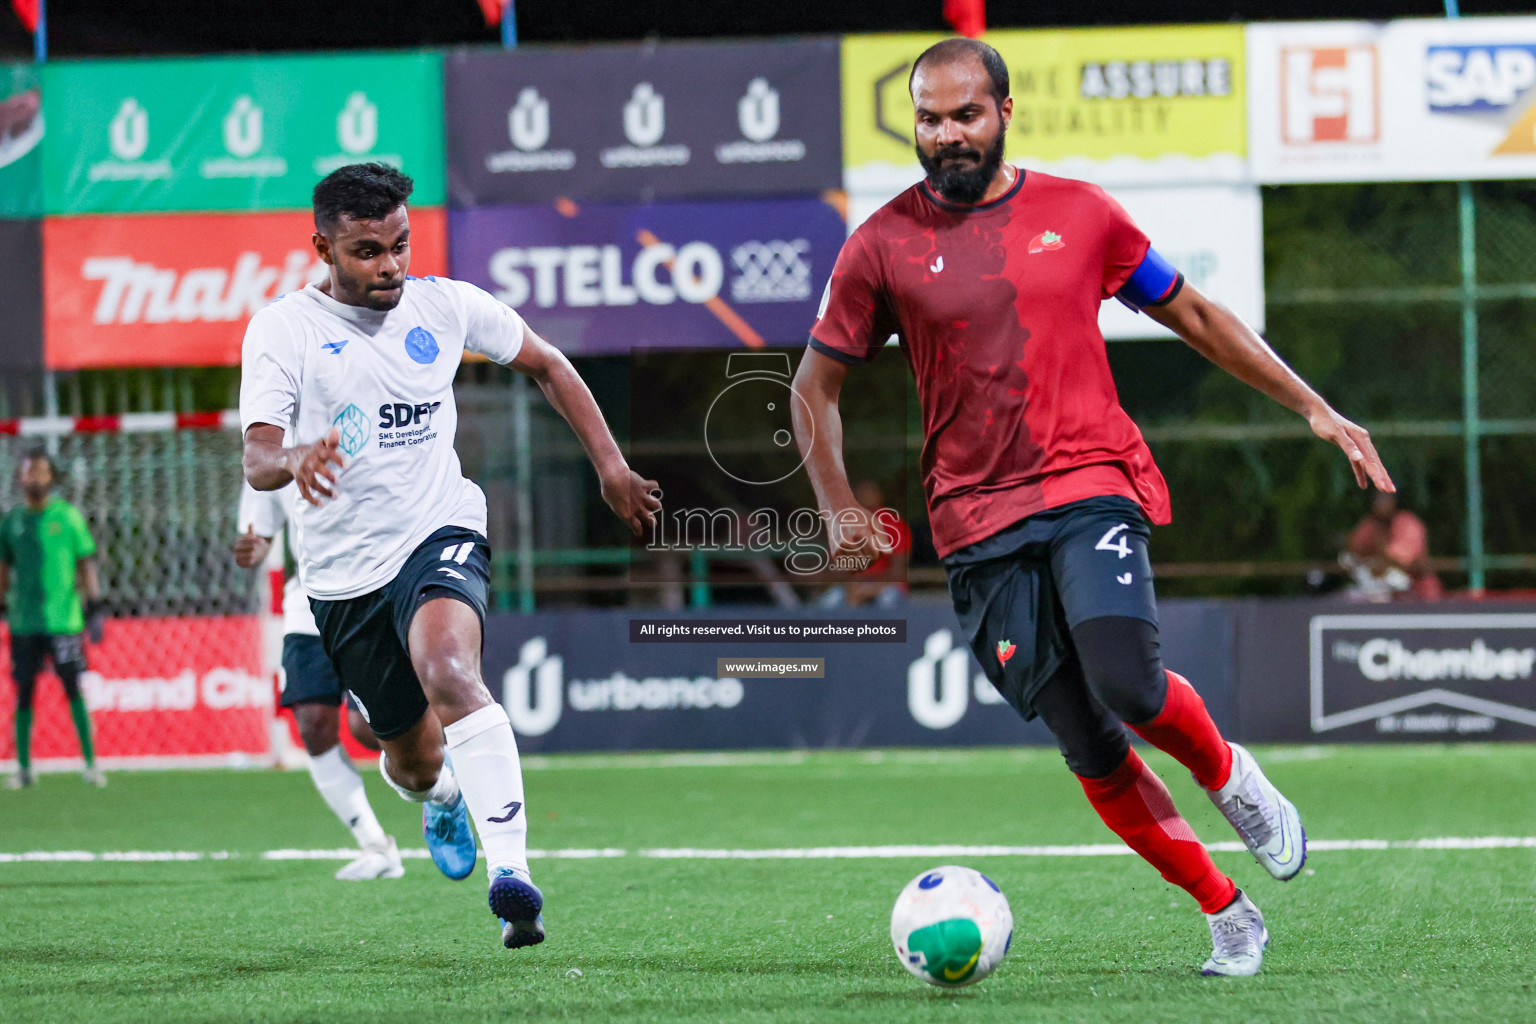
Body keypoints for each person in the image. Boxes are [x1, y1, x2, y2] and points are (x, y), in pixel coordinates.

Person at [792, 39, 1395, 978]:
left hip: (1086, 482)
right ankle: (1225, 912)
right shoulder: (880, 244)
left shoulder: (1079, 213)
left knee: (1129, 681)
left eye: (965, 115)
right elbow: (813, 387)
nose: (946, 134)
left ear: (1004, 113)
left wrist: (1312, 403)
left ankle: (1231, 776)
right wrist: (835, 506)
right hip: (975, 525)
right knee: (1087, 739)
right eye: (928, 118)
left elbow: (1193, 314)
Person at [240, 163, 659, 949]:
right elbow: (257, 456)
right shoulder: (282, 330)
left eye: (399, 245)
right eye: (367, 251)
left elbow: (548, 364)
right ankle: (440, 798)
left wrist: (611, 467)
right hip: (341, 578)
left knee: (452, 672)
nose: (390, 266)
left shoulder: (448, 304)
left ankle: (514, 876)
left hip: (439, 531)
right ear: (323, 247)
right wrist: (295, 457)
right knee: (408, 760)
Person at [235, 481, 404, 880]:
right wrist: (253, 549)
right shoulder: (268, 449)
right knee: (312, 722)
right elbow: (258, 535)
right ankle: (376, 847)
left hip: (372, 591)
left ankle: (439, 790)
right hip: (308, 598)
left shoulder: (361, 431)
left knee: (368, 729)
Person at [1, 448, 106, 789]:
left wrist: (94, 607)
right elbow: (3, 568)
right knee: (24, 691)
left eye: (40, 472)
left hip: (65, 621)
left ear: (51, 477)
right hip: (24, 622)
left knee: (73, 688)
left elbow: (86, 563)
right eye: (28, 472)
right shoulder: (13, 521)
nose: (33, 478)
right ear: (20, 478)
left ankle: (91, 763)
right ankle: (25, 769)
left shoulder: (68, 516)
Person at [1341, 490, 1442, 602]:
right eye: (1378, 500)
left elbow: (1400, 560)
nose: (1381, 504)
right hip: (1383, 596)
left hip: (1419, 596)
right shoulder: (1370, 524)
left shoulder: (1408, 523)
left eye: (1385, 499)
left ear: (1395, 501)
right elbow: (1353, 553)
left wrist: (1376, 559)